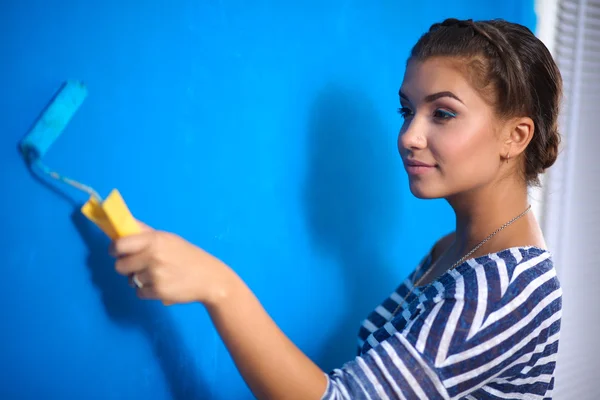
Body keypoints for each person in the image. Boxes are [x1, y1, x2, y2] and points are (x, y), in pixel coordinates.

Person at [110, 17, 563, 399]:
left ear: (515, 136)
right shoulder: (454, 246)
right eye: (407, 112)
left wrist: (219, 287)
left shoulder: (503, 291)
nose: (409, 136)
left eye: (442, 113)